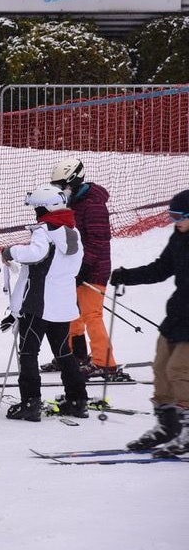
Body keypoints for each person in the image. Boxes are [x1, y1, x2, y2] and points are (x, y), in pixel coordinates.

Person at [109, 189, 189, 456]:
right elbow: (161, 269)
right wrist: (126, 276)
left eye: (179, 216)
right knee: (161, 368)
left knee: (179, 369)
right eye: (171, 216)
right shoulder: (178, 238)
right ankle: (168, 427)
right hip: (178, 314)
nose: (174, 221)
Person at [2, 184, 87, 421]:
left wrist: (12, 251)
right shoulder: (73, 232)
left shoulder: (45, 230)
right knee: (63, 352)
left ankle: (30, 403)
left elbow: (36, 254)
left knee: (28, 352)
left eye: (37, 208)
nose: (35, 213)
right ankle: (77, 400)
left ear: (45, 209)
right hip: (63, 304)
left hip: (39, 304)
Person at [46, 158, 121, 378]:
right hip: (77, 269)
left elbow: (98, 241)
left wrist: (84, 268)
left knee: (91, 315)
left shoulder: (94, 205)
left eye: (62, 185)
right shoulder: (73, 203)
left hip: (94, 269)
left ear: (74, 181)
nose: (59, 190)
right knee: (72, 315)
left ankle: (105, 362)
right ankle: (75, 356)